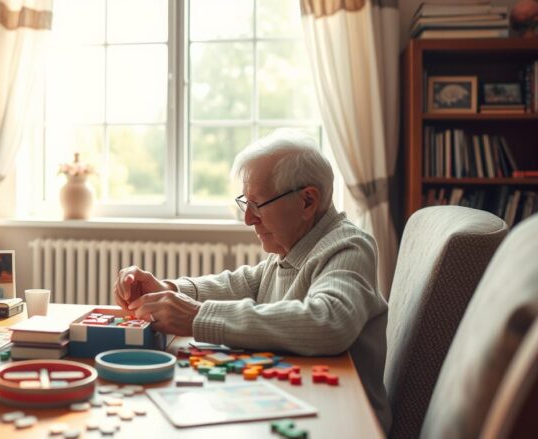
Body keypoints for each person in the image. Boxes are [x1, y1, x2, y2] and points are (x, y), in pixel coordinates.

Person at [113, 129, 391, 433]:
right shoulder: (293, 245)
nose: (248, 218)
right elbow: (246, 284)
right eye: (246, 202)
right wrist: (170, 289)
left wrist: (195, 316)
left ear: (307, 201)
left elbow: (327, 322)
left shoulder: (348, 246)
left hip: (344, 421)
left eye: (258, 204)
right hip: (301, 401)